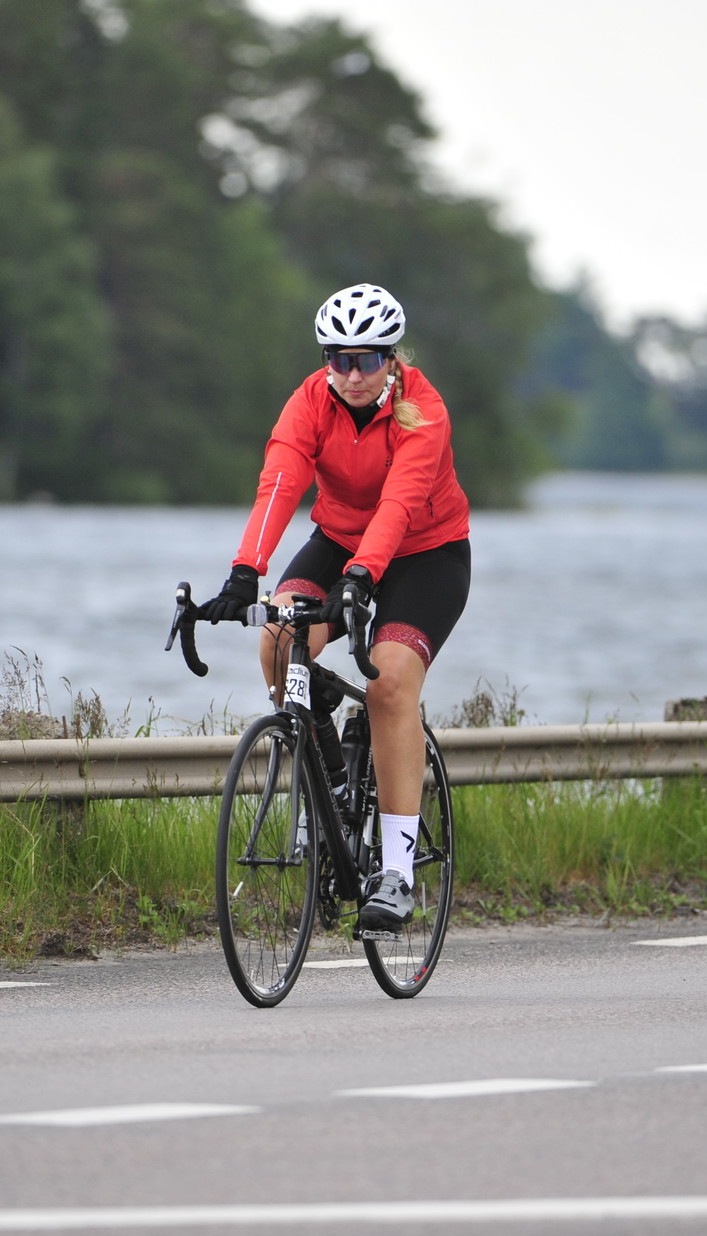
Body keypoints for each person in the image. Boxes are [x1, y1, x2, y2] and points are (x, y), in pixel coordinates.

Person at [196, 284, 471, 934]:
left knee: (389, 683)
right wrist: (245, 570)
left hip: (426, 554)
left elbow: (399, 504)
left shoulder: (422, 410)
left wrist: (361, 577)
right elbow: (280, 480)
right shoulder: (310, 401)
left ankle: (396, 873)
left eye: (366, 360)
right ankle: (331, 775)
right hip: (341, 541)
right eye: (338, 359)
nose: (352, 375)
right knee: (278, 638)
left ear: (390, 358)